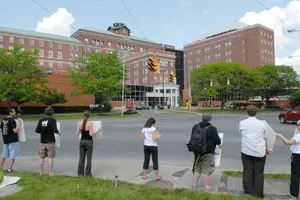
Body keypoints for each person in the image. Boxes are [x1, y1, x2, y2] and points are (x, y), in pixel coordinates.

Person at [239, 105, 272, 198]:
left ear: (247, 112)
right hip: (259, 151)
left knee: (247, 171)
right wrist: (267, 148)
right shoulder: (262, 124)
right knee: (259, 173)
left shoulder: (242, 123)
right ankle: (258, 193)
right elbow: (265, 137)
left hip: (246, 150)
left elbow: (242, 132)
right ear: (256, 112)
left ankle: (248, 190)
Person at [191, 114, 222, 190]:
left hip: (197, 151)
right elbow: (218, 141)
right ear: (210, 119)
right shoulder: (212, 128)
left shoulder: (195, 126)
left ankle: (194, 185)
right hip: (208, 152)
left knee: (197, 167)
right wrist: (220, 144)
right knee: (207, 169)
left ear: (202, 118)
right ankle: (207, 187)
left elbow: (192, 137)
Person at [276, 120, 300, 199]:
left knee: (295, 176)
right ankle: (293, 193)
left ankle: (294, 195)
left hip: (297, 156)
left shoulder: (298, 136)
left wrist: (280, 135)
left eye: (298, 125)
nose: (297, 127)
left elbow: (288, 142)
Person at [35, 106, 61, 176]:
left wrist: (43, 130)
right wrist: (59, 132)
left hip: (42, 141)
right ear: (52, 113)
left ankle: (41, 172)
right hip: (50, 141)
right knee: (50, 157)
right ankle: (50, 172)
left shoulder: (41, 120)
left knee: (42, 157)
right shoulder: (53, 120)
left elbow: (37, 130)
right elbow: (55, 130)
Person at [77, 110, 100, 177]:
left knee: (81, 158)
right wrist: (98, 131)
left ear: (83, 115)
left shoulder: (79, 122)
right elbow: (91, 134)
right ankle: (88, 174)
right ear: (89, 116)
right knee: (89, 158)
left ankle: (80, 174)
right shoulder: (90, 123)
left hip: (82, 141)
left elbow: (77, 133)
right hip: (89, 141)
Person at [0, 108, 21, 172]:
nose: (15, 112)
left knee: (4, 155)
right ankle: (10, 168)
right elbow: (15, 130)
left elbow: (1, 128)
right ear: (10, 113)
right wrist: (19, 123)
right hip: (13, 140)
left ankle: (0, 168)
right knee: (13, 155)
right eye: (14, 111)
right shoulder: (12, 121)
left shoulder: (3, 120)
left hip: (6, 140)